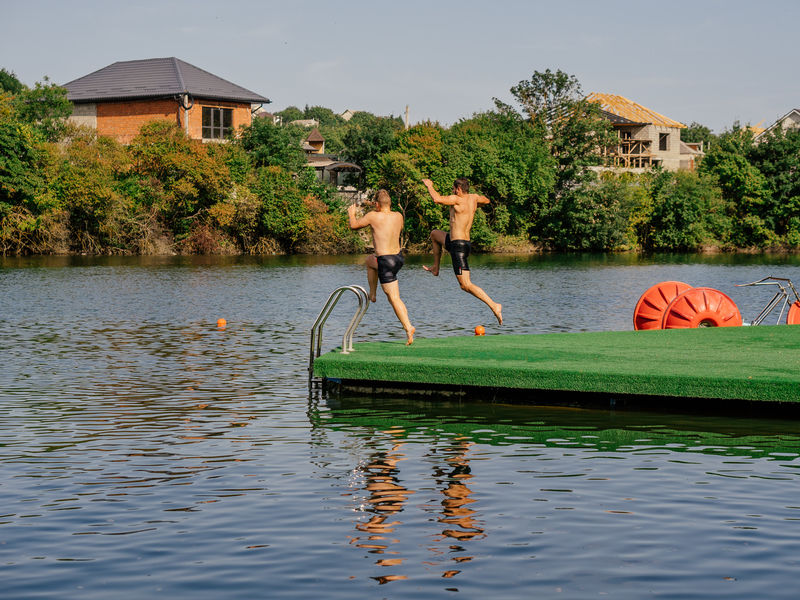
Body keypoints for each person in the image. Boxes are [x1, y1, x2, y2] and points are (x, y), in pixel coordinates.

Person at [421, 178, 503, 325]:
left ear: (458, 189)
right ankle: (436, 268)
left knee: (465, 285)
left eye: (454, 188)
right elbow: (487, 200)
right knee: (434, 234)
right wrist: (477, 200)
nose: (452, 191)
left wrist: (430, 186)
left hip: (458, 247)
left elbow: (437, 199)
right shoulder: (474, 198)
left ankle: (494, 305)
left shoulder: (456, 199)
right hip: (459, 242)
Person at [348, 189, 415, 345]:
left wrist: (352, 213)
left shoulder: (372, 216)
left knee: (394, 298)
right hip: (398, 258)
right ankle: (373, 293)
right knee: (370, 261)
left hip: (385, 260)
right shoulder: (398, 216)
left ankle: (408, 327)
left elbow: (354, 226)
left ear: (376, 205)